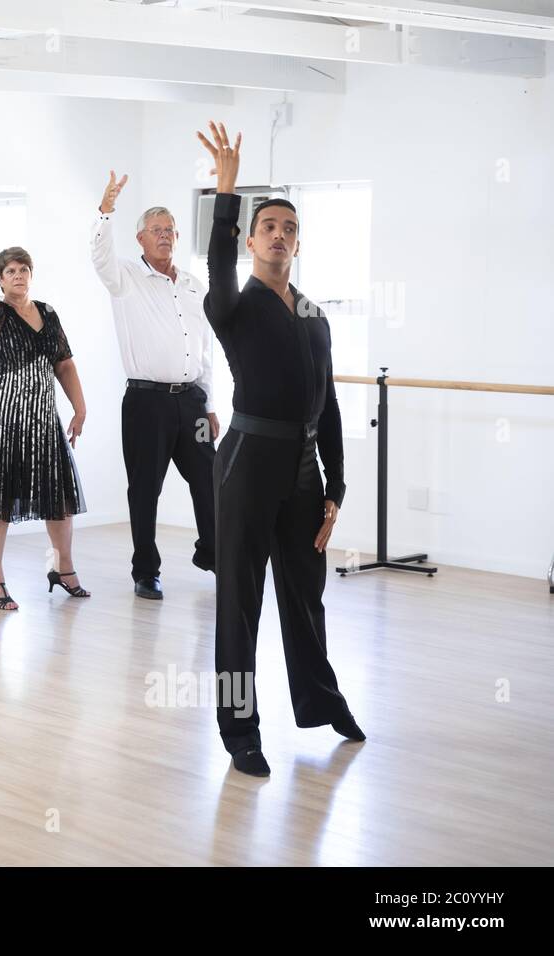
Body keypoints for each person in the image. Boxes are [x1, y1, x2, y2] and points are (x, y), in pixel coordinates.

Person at [197, 121, 364, 777]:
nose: (279, 235)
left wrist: (335, 488)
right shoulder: (231, 305)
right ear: (250, 240)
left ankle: (322, 702)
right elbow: (214, 262)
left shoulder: (315, 315)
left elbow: (329, 402)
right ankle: (240, 730)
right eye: (268, 226)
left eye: (288, 228)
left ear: (298, 242)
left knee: (305, 594)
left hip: (302, 470)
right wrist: (227, 189)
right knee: (239, 601)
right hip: (244, 464)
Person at [0, 215, 88, 610]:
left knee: (58, 498)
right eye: (11, 271)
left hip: (43, 421)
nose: (19, 275)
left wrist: (79, 408)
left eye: (24, 269)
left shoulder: (48, 313)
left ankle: (63, 568)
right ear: (2, 279)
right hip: (3, 420)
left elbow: (65, 364)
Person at [91, 171, 218, 600]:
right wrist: (105, 211)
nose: (165, 237)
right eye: (156, 231)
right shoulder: (124, 277)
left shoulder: (192, 285)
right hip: (147, 403)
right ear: (141, 239)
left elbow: (205, 349)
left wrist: (211, 403)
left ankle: (213, 552)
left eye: (170, 231)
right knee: (145, 490)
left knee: (210, 480)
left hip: (193, 402)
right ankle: (146, 570)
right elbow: (99, 255)